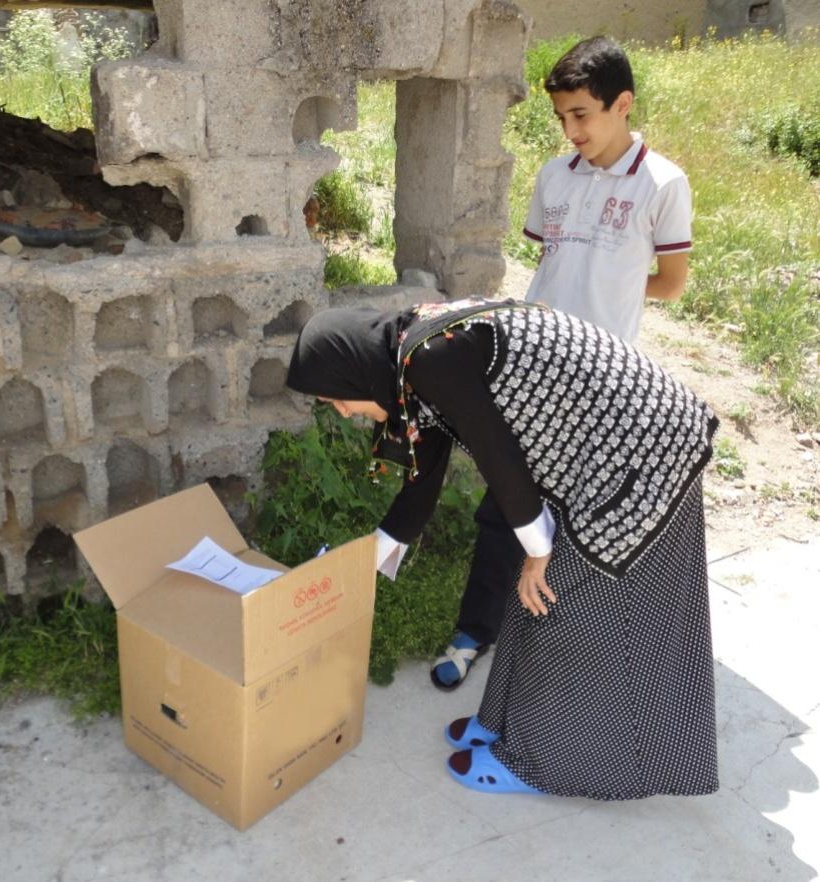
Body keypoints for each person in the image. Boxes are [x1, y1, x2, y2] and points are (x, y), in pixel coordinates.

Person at [286, 298, 719, 798]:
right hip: (603, 450)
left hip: (641, 452)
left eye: (339, 400)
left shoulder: (429, 359)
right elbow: (421, 488)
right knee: (530, 596)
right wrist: (357, 568)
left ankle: (537, 763)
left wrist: (539, 550)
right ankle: (506, 723)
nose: (345, 412)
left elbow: (499, 457)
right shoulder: (411, 359)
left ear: (353, 374)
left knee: (564, 604)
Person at [431, 36, 694, 690]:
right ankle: (473, 633)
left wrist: (610, 302)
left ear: (622, 105)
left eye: (582, 114)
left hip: (605, 384)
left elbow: (671, 282)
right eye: (561, 117)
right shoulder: (552, 178)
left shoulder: (661, 184)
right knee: (505, 507)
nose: (571, 129)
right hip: (532, 372)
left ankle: (569, 661)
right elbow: (549, 262)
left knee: (584, 522)